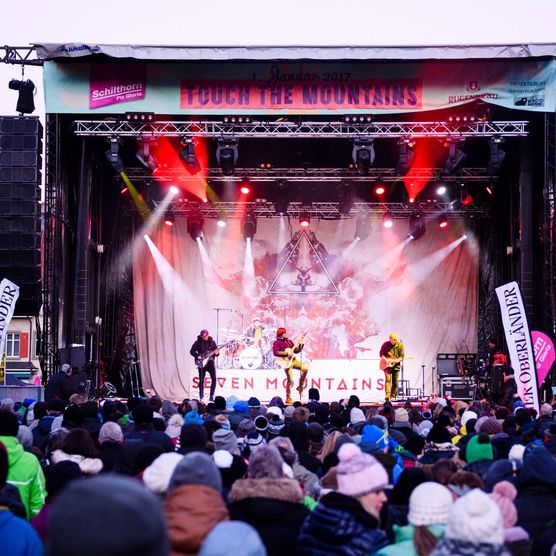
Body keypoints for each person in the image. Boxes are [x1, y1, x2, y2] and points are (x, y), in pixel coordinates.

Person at [272, 327, 308, 405]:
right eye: (284, 333)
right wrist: (287, 353)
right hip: (286, 363)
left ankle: (300, 387)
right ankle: (288, 397)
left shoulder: (289, 342)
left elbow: (296, 351)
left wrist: (301, 343)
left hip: (294, 360)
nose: (286, 334)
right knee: (290, 380)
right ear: (281, 334)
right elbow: (275, 352)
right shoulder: (277, 342)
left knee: (305, 368)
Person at [190, 329, 220, 401]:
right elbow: (192, 351)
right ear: (201, 336)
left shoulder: (212, 342)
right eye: (203, 336)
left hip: (210, 363)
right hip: (201, 363)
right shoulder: (197, 342)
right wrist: (197, 356)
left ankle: (211, 396)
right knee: (201, 380)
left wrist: (217, 353)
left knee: (214, 378)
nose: (205, 338)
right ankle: (201, 396)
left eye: (206, 336)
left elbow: (216, 353)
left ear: (208, 335)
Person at [380, 333, 405, 400]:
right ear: (390, 339)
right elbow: (381, 354)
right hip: (387, 365)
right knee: (388, 379)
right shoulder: (385, 344)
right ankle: (387, 396)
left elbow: (401, 356)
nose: (393, 341)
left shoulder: (400, 345)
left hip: (396, 366)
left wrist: (396, 361)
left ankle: (393, 396)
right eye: (392, 340)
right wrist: (386, 360)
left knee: (395, 381)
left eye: (395, 340)